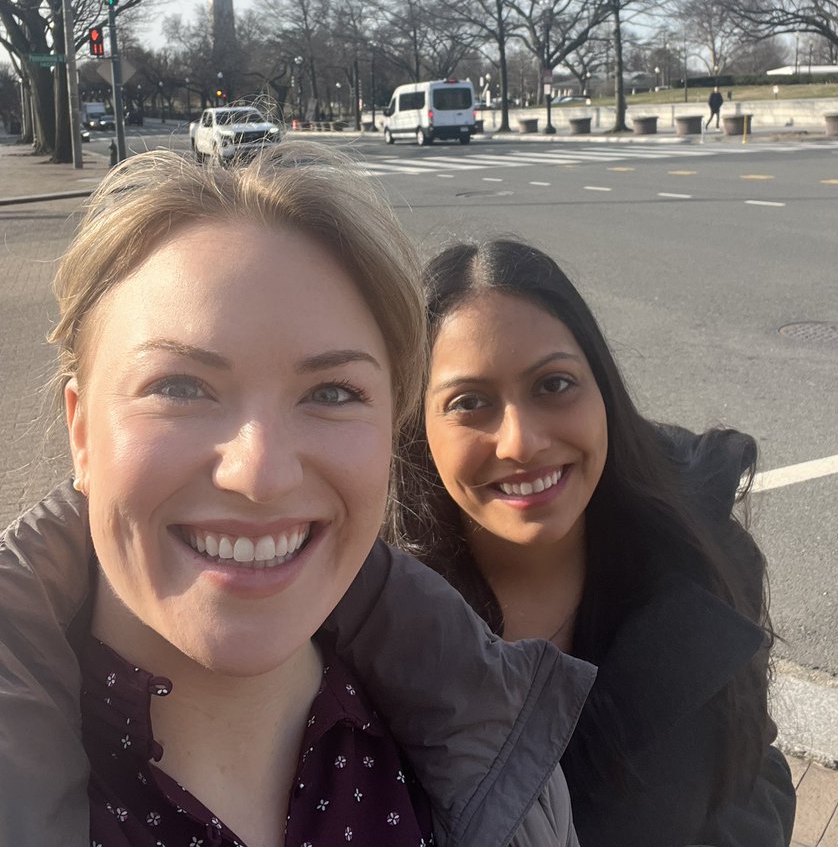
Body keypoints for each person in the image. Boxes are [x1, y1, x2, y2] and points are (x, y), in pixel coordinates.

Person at [0, 150, 594, 847]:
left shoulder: (497, 752)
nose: (261, 474)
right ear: (82, 433)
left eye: (332, 393)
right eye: (179, 388)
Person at [388, 238, 797, 847]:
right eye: (469, 403)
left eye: (553, 385)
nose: (521, 442)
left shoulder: (696, 560)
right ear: (419, 427)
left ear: (602, 390)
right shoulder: (378, 626)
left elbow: (750, 774)